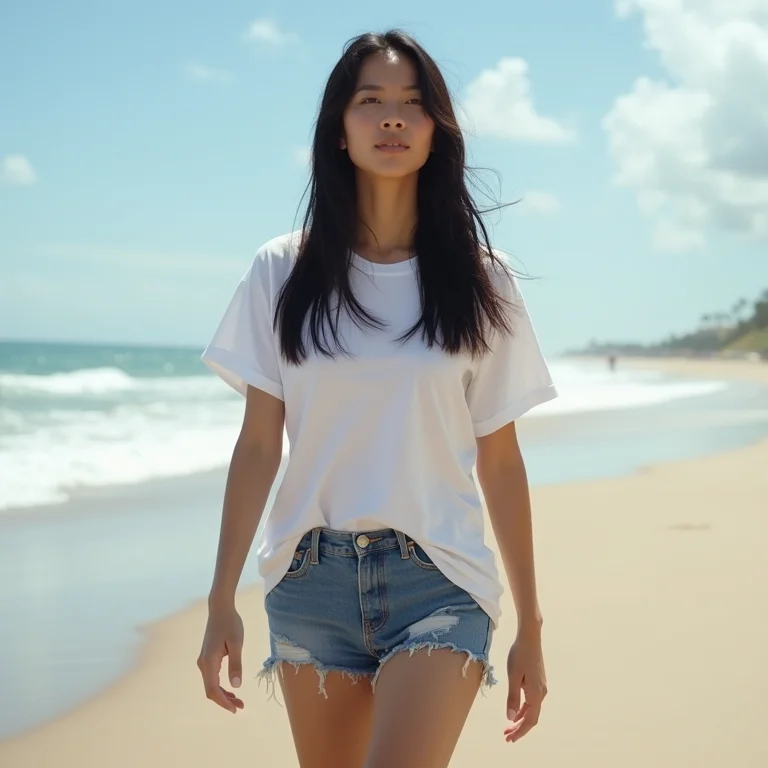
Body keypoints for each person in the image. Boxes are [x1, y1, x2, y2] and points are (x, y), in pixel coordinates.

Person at [197, 29, 558, 768]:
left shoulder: (484, 280)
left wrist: (532, 624)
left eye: (413, 103)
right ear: (339, 126)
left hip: (441, 580)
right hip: (308, 581)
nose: (392, 118)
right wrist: (218, 600)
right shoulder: (282, 270)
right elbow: (260, 443)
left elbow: (501, 460)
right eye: (371, 101)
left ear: (437, 130)